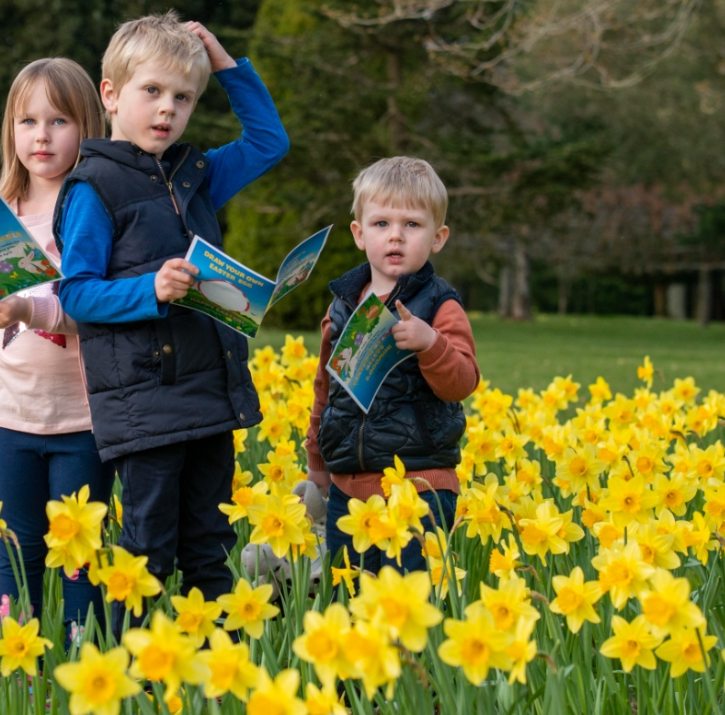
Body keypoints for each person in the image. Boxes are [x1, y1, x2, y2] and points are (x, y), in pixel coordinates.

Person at [54, 11, 288, 624]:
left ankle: (216, 682)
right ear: (110, 94)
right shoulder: (92, 187)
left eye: (183, 98)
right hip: (147, 406)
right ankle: (132, 682)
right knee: (147, 559)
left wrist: (223, 60)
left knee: (210, 553)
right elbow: (76, 295)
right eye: (152, 91)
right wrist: (150, 288)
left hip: (211, 398)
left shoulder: (196, 177)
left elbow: (269, 142)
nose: (167, 110)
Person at [0, 58, 112, 638]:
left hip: (84, 420)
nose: (41, 135)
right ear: (11, 130)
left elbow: (104, 314)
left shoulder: (95, 215)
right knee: (15, 548)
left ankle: (87, 663)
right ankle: (19, 662)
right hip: (10, 421)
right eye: (27, 121)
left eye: (59, 121)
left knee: (80, 553)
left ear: (88, 127)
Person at [307, 156, 480, 573]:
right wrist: (317, 466)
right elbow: (325, 392)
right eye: (381, 224)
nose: (396, 237)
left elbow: (462, 382)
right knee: (349, 604)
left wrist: (430, 344)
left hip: (420, 488)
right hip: (350, 490)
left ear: (438, 238)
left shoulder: (440, 305)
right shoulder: (345, 305)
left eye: (412, 225)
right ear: (359, 234)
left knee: (405, 612)